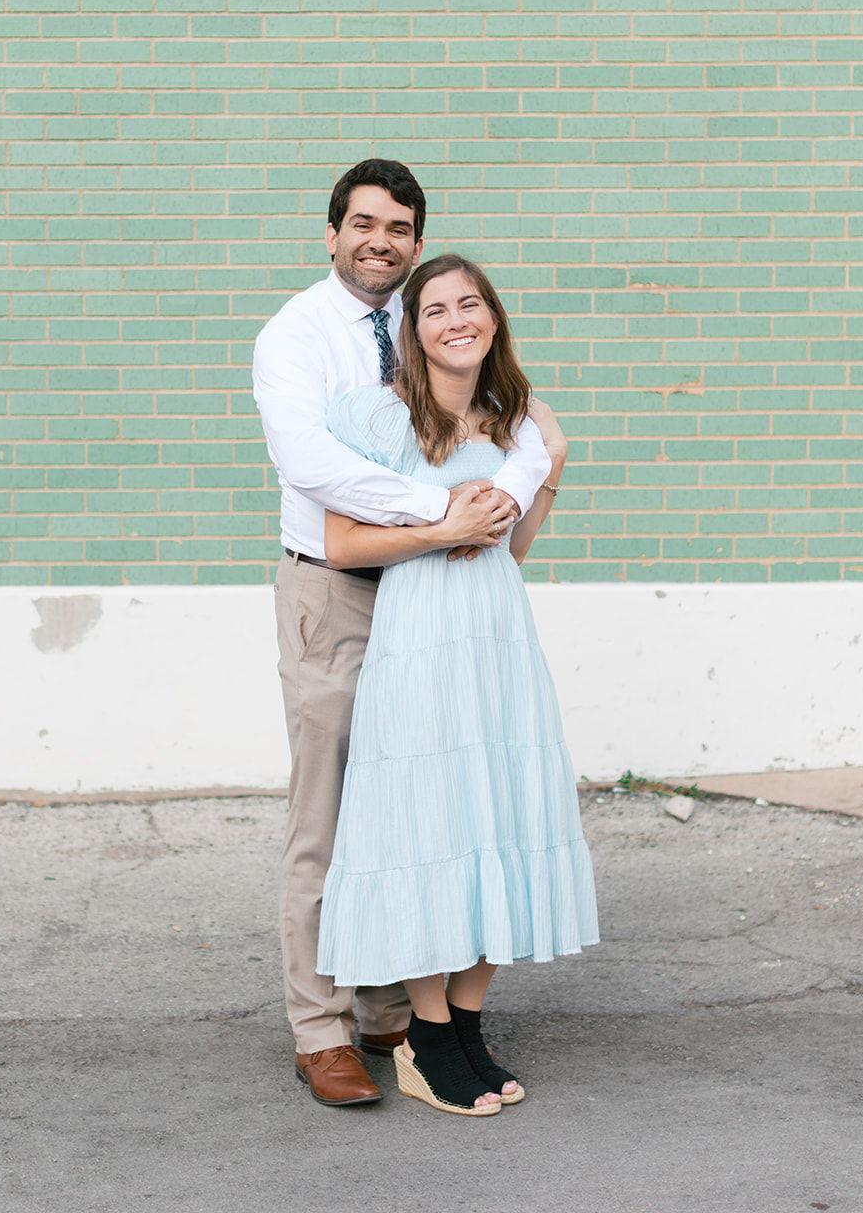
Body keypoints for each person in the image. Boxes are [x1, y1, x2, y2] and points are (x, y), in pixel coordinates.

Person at [252, 161, 555, 1107]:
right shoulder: (299, 334)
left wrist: (504, 495)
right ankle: (322, 1029)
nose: (380, 241)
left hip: (441, 597)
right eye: (363, 223)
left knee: (422, 803)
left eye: (398, 228)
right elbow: (310, 463)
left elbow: (530, 436)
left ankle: (400, 1014)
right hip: (340, 587)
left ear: (417, 242)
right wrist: (442, 513)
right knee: (332, 812)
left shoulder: (431, 325)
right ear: (332, 233)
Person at [315, 252, 600, 1117]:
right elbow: (341, 543)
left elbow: (512, 548)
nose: (454, 321)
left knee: (500, 816)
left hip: (497, 637)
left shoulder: (512, 424)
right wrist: (443, 528)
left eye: (469, 304)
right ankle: (427, 1036)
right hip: (420, 636)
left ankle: (467, 1025)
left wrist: (551, 463)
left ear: (493, 318)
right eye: (434, 309)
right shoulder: (381, 418)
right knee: (427, 822)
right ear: (416, 330)